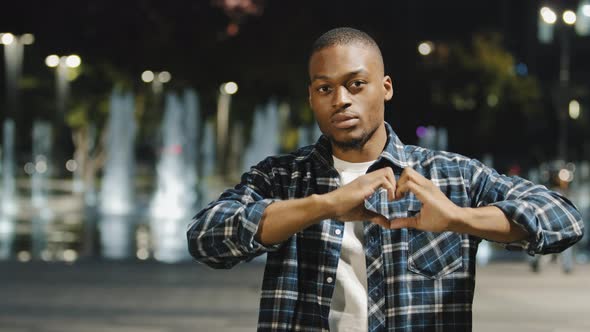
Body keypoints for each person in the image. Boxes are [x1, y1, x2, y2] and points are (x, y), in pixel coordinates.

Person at [187, 27, 584, 331]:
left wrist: (457, 218)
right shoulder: (282, 178)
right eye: (325, 88)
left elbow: (563, 219)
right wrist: (324, 205)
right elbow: (206, 238)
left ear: (386, 87)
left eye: (355, 84)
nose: (340, 99)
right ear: (312, 98)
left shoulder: (448, 177)